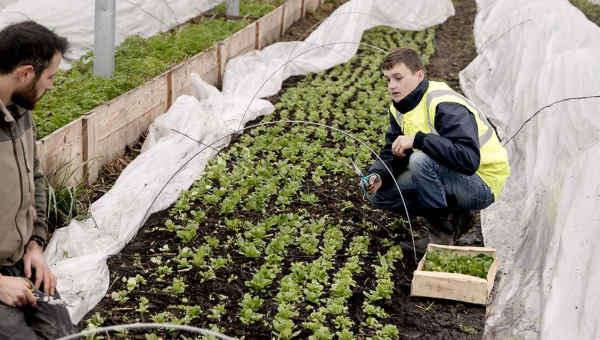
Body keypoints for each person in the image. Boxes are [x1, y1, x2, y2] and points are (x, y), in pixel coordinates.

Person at [363, 47, 510, 257]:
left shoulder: (444, 104)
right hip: (449, 173)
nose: (391, 86)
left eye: (398, 78)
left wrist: (419, 140)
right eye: (387, 80)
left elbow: (468, 160)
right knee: (381, 193)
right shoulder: (399, 108)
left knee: (420, 160)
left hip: (482, 182)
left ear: (419, 75)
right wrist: (379, 174)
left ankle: (440, 240)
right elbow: (392, 149)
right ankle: (458, 217)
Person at [0, 21, 76, 339]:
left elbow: (36, 177)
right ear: (26, 73)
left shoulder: (20, 111)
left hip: (19, 260)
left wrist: (35, 245)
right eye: (51, 77)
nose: (51, 86)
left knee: (64, 333)